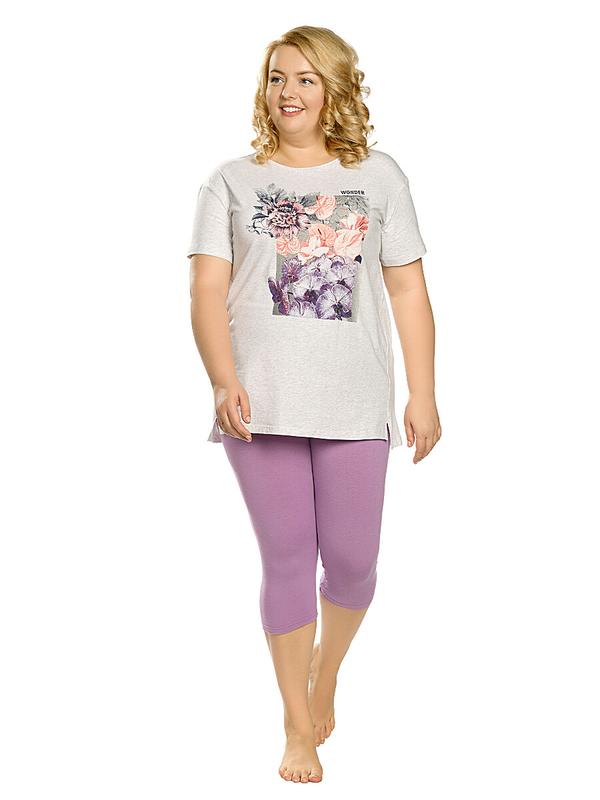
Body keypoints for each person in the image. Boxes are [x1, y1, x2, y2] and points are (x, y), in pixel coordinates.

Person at [186, 25, 441, 784]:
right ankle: (297, 726)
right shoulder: (231, 182)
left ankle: (324, 673)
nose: (288, 92)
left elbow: (407, 288)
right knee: (289, 557)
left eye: (305, 78)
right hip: (259, 406)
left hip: (355, 401)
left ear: (335, 88)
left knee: (355, 562)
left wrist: (423, 391)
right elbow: (205, 288)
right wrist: (221, 378)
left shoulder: (380, 176)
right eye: (276, 77)